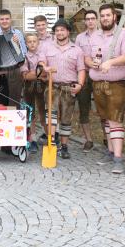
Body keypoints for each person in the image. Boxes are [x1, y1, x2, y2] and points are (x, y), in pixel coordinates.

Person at [86, 3, 125, 174]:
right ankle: (111, 151)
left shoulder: (124, 34)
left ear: (114, 17)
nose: (105, 18)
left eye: (108, 15)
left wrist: (111, 62)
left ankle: (118, 159)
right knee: (106, 119)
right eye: (103, 15)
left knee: (115, 120)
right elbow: (87, 57)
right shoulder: (95, 36)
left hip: (117, 84)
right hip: (98, 84)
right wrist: (92, 63)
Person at [39, 19, 86, 159]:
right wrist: (44, 67)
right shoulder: (47, 47)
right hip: (52, 86)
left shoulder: (77, 50)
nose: (59, 32)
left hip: (69, 88)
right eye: (57, 30)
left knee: (66, 118)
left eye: (62, 30)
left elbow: (81, 69)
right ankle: (52, 143)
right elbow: (41, 62)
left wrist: (80, 85)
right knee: (51, 116)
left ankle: (64, 146)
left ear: (68, 31)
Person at [75, 10, 100, 152]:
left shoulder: (103, 35)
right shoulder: (79, 38)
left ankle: (107, 138)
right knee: (84, 108)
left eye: (93, 18)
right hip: (84, 75)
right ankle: (88, 139)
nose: (90, 21)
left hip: (100, 74)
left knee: (102, 108)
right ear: (85, 21)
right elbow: (78, 57)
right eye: (88, 19)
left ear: (96, 20)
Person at [20, 33, 47, 153]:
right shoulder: (24, 57)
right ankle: (33, 139)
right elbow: (25, 75)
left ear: (38, 43)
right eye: (29, 42)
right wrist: (40, 75)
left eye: (34, 41)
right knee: (30, 114)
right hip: (29, 88)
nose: (32, 44)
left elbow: (43, 70)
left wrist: (36, 73)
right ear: (26, 44)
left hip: (42, 88)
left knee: (43, 113)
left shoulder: (42, 55)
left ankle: (50, 138)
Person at [0, 9, 27, 105]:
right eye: (2, 19)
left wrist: (17, 45)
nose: (4, 21)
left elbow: (24, 54)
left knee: (14, 98)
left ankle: (14, 113)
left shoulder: (17, 33)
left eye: (7, 19)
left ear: (11, 19)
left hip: (14, 69)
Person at [32, 14, 53, 143]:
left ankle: (53, 133)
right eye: (38, 25)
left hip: (50, 77)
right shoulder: (33, 40)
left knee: (51, 108)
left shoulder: (53, 39)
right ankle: (43, 133)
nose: (41, 27)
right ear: (35, 27)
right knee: (40, 107)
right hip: (37, 78)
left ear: (46, 24)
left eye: (43, 25)